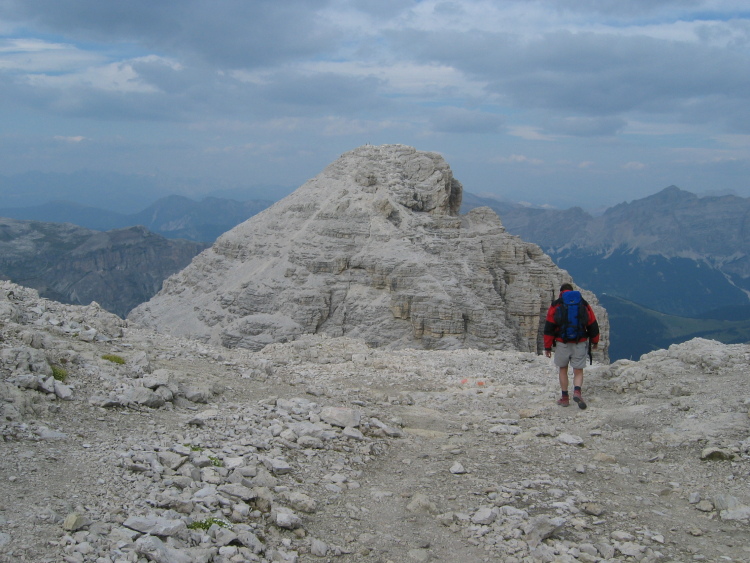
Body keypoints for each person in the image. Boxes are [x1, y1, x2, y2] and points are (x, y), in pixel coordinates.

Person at [544, 283, 600, 409]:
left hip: (562, 342)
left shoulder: (556, 304)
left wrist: (547, 347)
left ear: (561, 292)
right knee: (578, 370)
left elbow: (549, 327)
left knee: (563, 369)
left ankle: (564, 398)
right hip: (579, 342)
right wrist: (595, 341)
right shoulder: (582, 303)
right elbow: (592, 323)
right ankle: (577, 392)